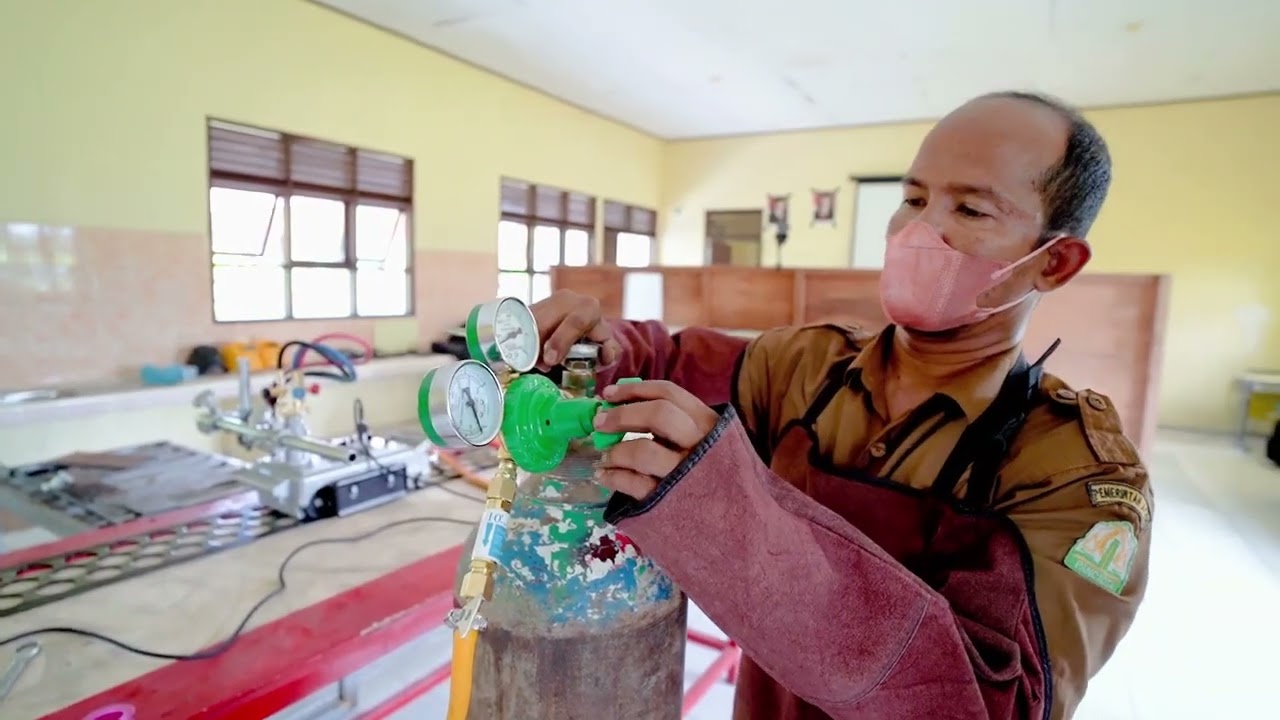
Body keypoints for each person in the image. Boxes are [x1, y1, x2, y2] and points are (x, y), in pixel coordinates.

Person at [531, 91, 1151, 720]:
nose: (919, 232)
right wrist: (590, 347)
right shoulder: (808, 368)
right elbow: (668, 361)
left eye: (970, 209)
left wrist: (728, 514)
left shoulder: (1071, 474)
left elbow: (989, 705)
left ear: (1055, 262)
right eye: (913, 199)